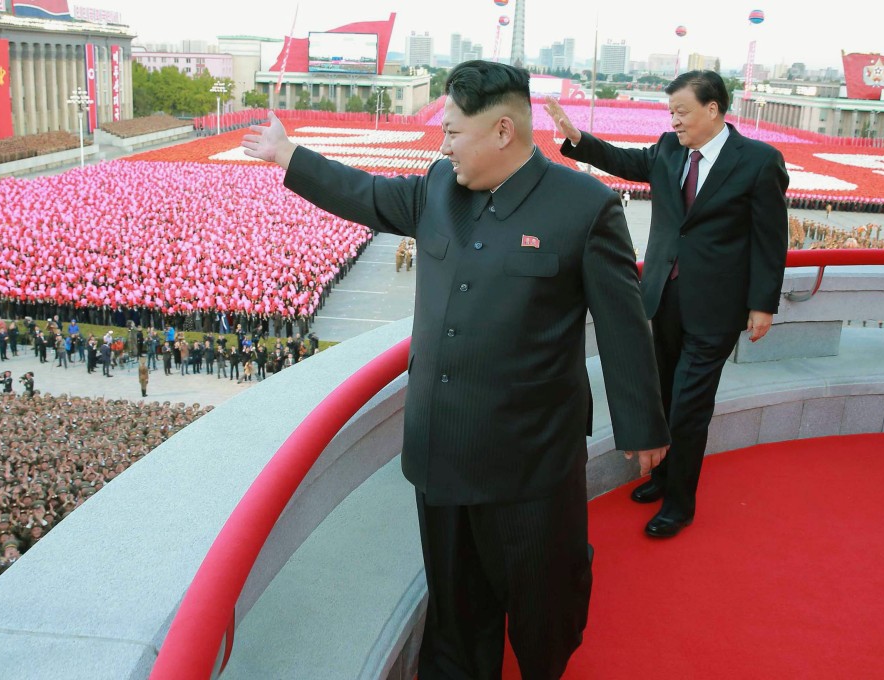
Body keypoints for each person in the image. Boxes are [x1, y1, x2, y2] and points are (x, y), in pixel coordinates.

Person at [243, 60, 670, 680]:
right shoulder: (439, 188)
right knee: (456, 607)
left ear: (503, 131)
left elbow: (624, 326)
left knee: (541, 607)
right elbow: (365, 194)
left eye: (452, 132)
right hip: (441, 450)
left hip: (530, 460)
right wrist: (288, 155)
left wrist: (642, 426)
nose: (442, 145)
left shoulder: (583, 206)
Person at [547, 69, 789, 539]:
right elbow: (626, 160)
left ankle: (679, 504)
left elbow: (769, 240)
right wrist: (578, 139)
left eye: (682, 111)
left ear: (713, 109)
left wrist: (763, 304)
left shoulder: (759, 161)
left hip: (717, 306)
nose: (674, 120)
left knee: (689, 408)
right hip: (662, 296)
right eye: (670, 112)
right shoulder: (668, 148)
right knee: (660, 397)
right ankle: (660, 478)